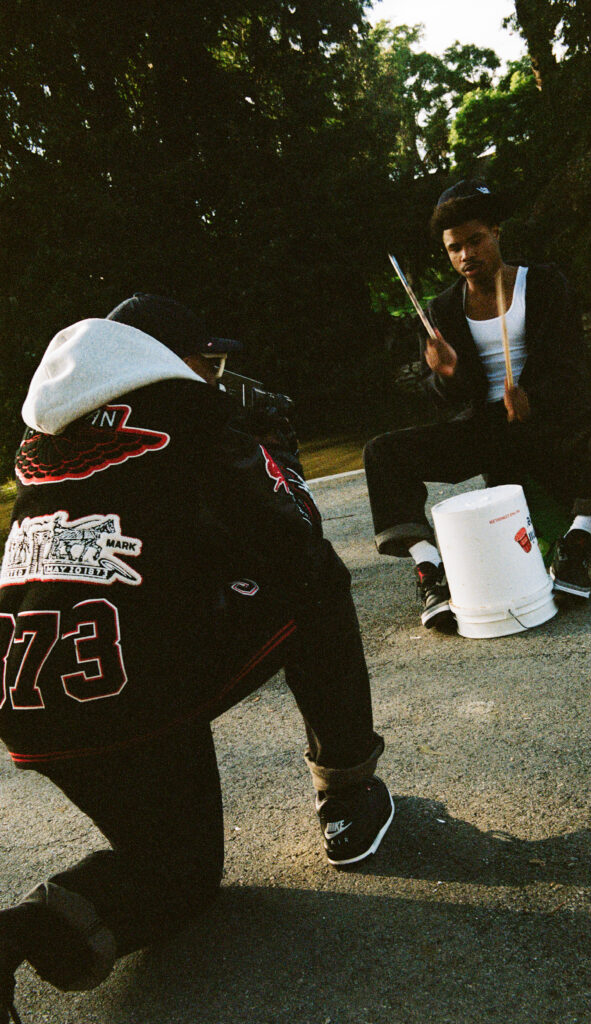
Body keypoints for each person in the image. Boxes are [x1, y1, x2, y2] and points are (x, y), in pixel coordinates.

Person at [0, 294, 393, 1023]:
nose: (215, 376)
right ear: (161, 358)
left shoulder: (40, 438)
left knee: (178, 876)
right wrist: (275, 458)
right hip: (128, 687)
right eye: (207, 362)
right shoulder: (191, 410)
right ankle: (347, 789)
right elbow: (292, 539)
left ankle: (17, 935)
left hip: (32, 702)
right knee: (319, 581)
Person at [364, 180, 591, 630]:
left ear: (496, 233)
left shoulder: (544, 284)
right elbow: (446, 402)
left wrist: (533, 400)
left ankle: (577, 543)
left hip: (548, 419)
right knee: (381, 452)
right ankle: (430, 569)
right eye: (454, 248)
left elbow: (572, 368)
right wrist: (447, 376)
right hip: (486, 431)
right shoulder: (441, 310)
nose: (466, 255)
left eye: (475, 240)